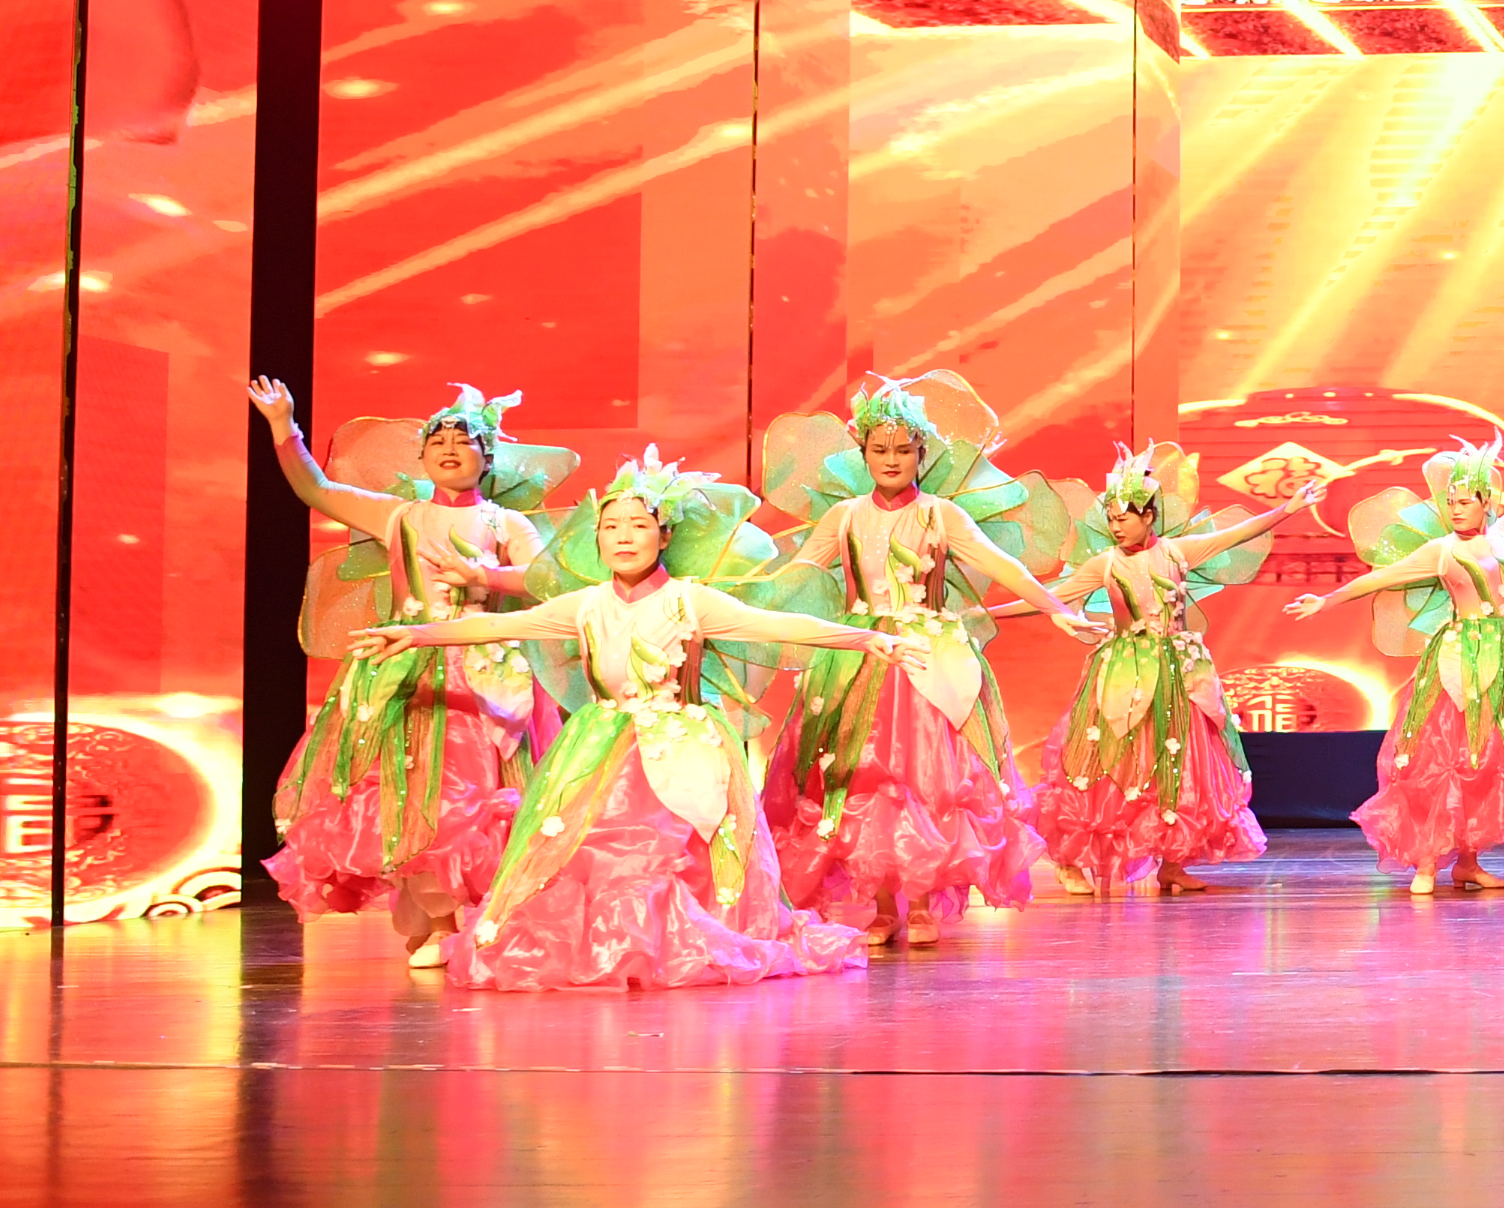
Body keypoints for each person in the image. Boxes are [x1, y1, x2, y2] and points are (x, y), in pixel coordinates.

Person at [345, 450, 922, 991]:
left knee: (667, 853)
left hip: (683, 743)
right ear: (596, 538)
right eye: (611, 526)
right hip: (603, 749)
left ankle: (665, 942)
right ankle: (607, 946)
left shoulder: (689, 601)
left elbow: (776, 625)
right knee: (592, 851)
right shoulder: (586, 604)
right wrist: (415, 634)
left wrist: (866, 638)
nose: (623, 536)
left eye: (639, 525)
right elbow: (495, 625)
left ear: (665, 535)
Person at [249, 376, 577, 966]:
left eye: (464, 440)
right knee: (407, 789)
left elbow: (543, 580)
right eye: (437, 441)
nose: (450, 448)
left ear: (487, 458)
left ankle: (480, 918)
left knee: (475, 794)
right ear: (423, 457)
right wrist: (283, 426)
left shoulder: (505, 523)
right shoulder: (400, 515)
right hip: (407, 667)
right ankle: (440, 921)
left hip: (483, 670)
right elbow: (316, 489)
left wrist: (483, 577)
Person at [759, 372, 1087, 950]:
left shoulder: (942, 515)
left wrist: (1056, 607)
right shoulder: (845, 517)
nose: (891, 460)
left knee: (928, 780)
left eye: (903, 450)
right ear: (862, 453)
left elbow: (1001, 565)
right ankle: (884, 906)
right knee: (861, 779)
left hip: (930, 657)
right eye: (879, 450)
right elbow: (796, 576)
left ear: (921, 454)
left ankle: (923, 899)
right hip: (862, 659)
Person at [1290, 410, 1504, 893]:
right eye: (1451, 502)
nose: (1456, 510)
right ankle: (1428, 862)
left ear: (1486, 503)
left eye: (1465, 502)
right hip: (1459, 659)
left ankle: (1468, 862)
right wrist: (1326, 599)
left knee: (1489, 756)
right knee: (1445, 754)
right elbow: (1381, 577)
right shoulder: (1442, 550)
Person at [1033, 443, 1310, 898]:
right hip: (1125, 668)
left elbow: (1236, 535)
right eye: (1111, 518)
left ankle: (1173, 864)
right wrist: (981, 613)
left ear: (1149, 516)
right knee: (1108, 760)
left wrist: (1287, 509)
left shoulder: (1177, 553)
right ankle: (1071, 860)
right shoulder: (1106, 563)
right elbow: (1047, 597)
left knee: (1181, 764)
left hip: (1178, 670)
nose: (1116, 526)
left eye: (1125, 517)